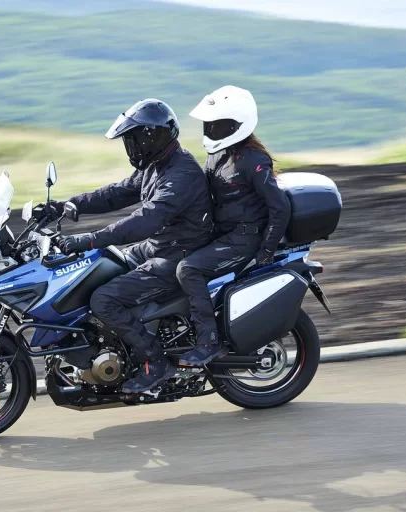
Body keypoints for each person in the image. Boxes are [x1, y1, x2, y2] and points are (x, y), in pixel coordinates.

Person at [55, 99, 213, 393]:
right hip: (158, 248)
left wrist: (87, 239)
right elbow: (116, 194)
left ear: (152, 137)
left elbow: (144, 221)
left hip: (177, 256)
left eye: (134, 138)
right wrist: (68, 204)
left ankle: (155, 362)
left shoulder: (181, 175)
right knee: (98, 268)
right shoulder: (156, 165)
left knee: (103, 300)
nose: (131, 146)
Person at [176, 85, 292, 366]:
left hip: (244, 239)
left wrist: (266, 250)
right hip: (223, 234)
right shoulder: (217, 154)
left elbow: (280, 207)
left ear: (237, 125)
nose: (211, 130)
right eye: (210, 124)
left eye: (218, 125)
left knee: (188, 269)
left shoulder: (253, 161)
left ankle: (207, 342)